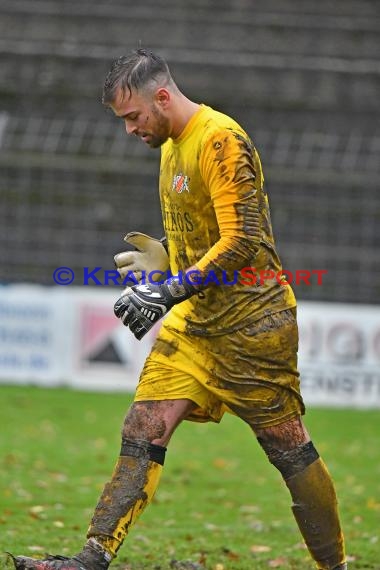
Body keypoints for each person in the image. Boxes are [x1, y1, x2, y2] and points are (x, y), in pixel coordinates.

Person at [10, 48, 347, 570]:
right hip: (196, 324)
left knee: (287, 446)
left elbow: (242, 242)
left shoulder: (221, 140)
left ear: (162, 97)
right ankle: (92, 557)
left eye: (133, 117)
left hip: (254, 326)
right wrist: (167, 257)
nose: (129, 130)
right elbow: (206, 233)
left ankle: (336, 567)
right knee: (143, 424)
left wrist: (167, 291)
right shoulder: (170, 145)